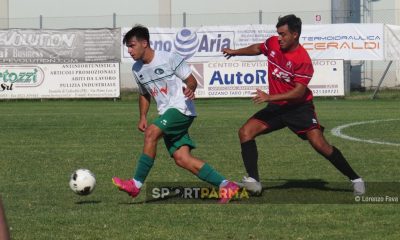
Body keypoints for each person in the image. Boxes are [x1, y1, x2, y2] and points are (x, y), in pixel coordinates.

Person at [222, 14, 365, 196]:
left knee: (319, 144)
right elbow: (258, 48)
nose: (279, 38)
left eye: (283, 34)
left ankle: (356, 179)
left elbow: (298, 92)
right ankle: (254, 181)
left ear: (295, 34)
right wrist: (235, 52)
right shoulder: (273, 43)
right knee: (245, 132)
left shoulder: (302, 59)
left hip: (299, 108)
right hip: (277, 107)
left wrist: (269, 98)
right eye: (278, 34)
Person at [112, 25, 239, 203]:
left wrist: (190, 89)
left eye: (132, 46)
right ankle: (227, 185)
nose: (129, 50)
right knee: (182, 158)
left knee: (151, 133)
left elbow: (191, 81)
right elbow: (144, 94)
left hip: (181, 109)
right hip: (167, 112)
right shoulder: (136, 69)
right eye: (128, 47)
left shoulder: (169, 57)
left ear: (145, 43)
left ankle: (136, 184)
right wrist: (142, 116)